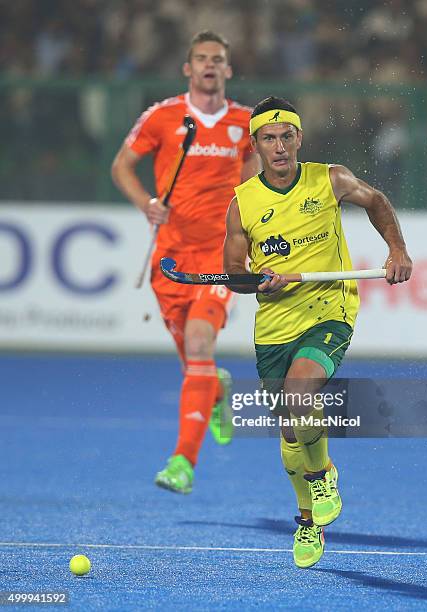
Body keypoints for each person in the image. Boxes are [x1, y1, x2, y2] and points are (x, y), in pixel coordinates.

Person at [223, 96, 412, 568]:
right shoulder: (243, 202)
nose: (280, 146)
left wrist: (397, 251)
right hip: (274, 325)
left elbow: (377, 201)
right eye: (270, 138)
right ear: (256, 145)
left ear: (299, 139)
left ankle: (324, 473)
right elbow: (234, 272)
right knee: (290, 429)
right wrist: (256, 282)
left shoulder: (330, 178)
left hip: (330, 307)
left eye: (288, 136)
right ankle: (307, 521)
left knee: (300, 390)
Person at [111, 31, 260, 494]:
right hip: (170, 260)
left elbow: (256, 190)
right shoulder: (163, 116)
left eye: (218, 58)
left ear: (228, 70)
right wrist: (146, 205)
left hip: (220, 259)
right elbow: (121, 166)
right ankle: (214, 388)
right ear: (188, 69)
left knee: (199, 342)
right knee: (193, 360)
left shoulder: (245, 123)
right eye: (201, 58)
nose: (210, 65)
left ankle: (183, 462)